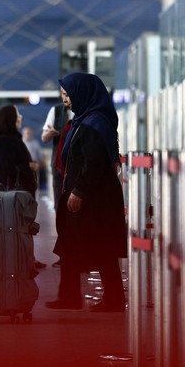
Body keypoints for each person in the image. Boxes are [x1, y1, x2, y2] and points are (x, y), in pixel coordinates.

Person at [45, 72, 127, 313]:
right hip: (89, 194)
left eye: (69, 94)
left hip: (94, 198)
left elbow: (94, 162)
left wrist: (79, 190)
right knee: (71, 246)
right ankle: (70, 296)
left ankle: (111, 300)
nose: (66, 100)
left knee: (101, 248)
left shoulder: (95, 123)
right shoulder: (85, 120)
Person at [0, 105, 46, 269]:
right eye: (17, 115)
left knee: (21, 228)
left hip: (12, 191)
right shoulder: (7, 141)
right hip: (14, 193)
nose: (19, 118)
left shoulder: (3, 139)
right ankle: (21, 262)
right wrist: (28, 167)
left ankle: (27, 259)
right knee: (19, 228)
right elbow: (8, 168)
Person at [41, 95, 74, 210]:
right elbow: (44, 138)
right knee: (59, 204)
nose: (65, 98)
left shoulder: (84, 111)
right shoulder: (55, 111)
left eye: (67, 94)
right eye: (63, 94)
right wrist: (52, 133)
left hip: (77, 166)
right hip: (59, 165)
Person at [21, 125, 45, 194]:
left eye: (29, 133)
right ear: (23, 134)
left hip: (34, 168)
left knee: (34, 187)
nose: (28, 134)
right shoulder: (21, 143)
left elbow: (40, 154)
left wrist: (42, 162)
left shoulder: (35, 143)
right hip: (23, 168)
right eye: (27, 133)